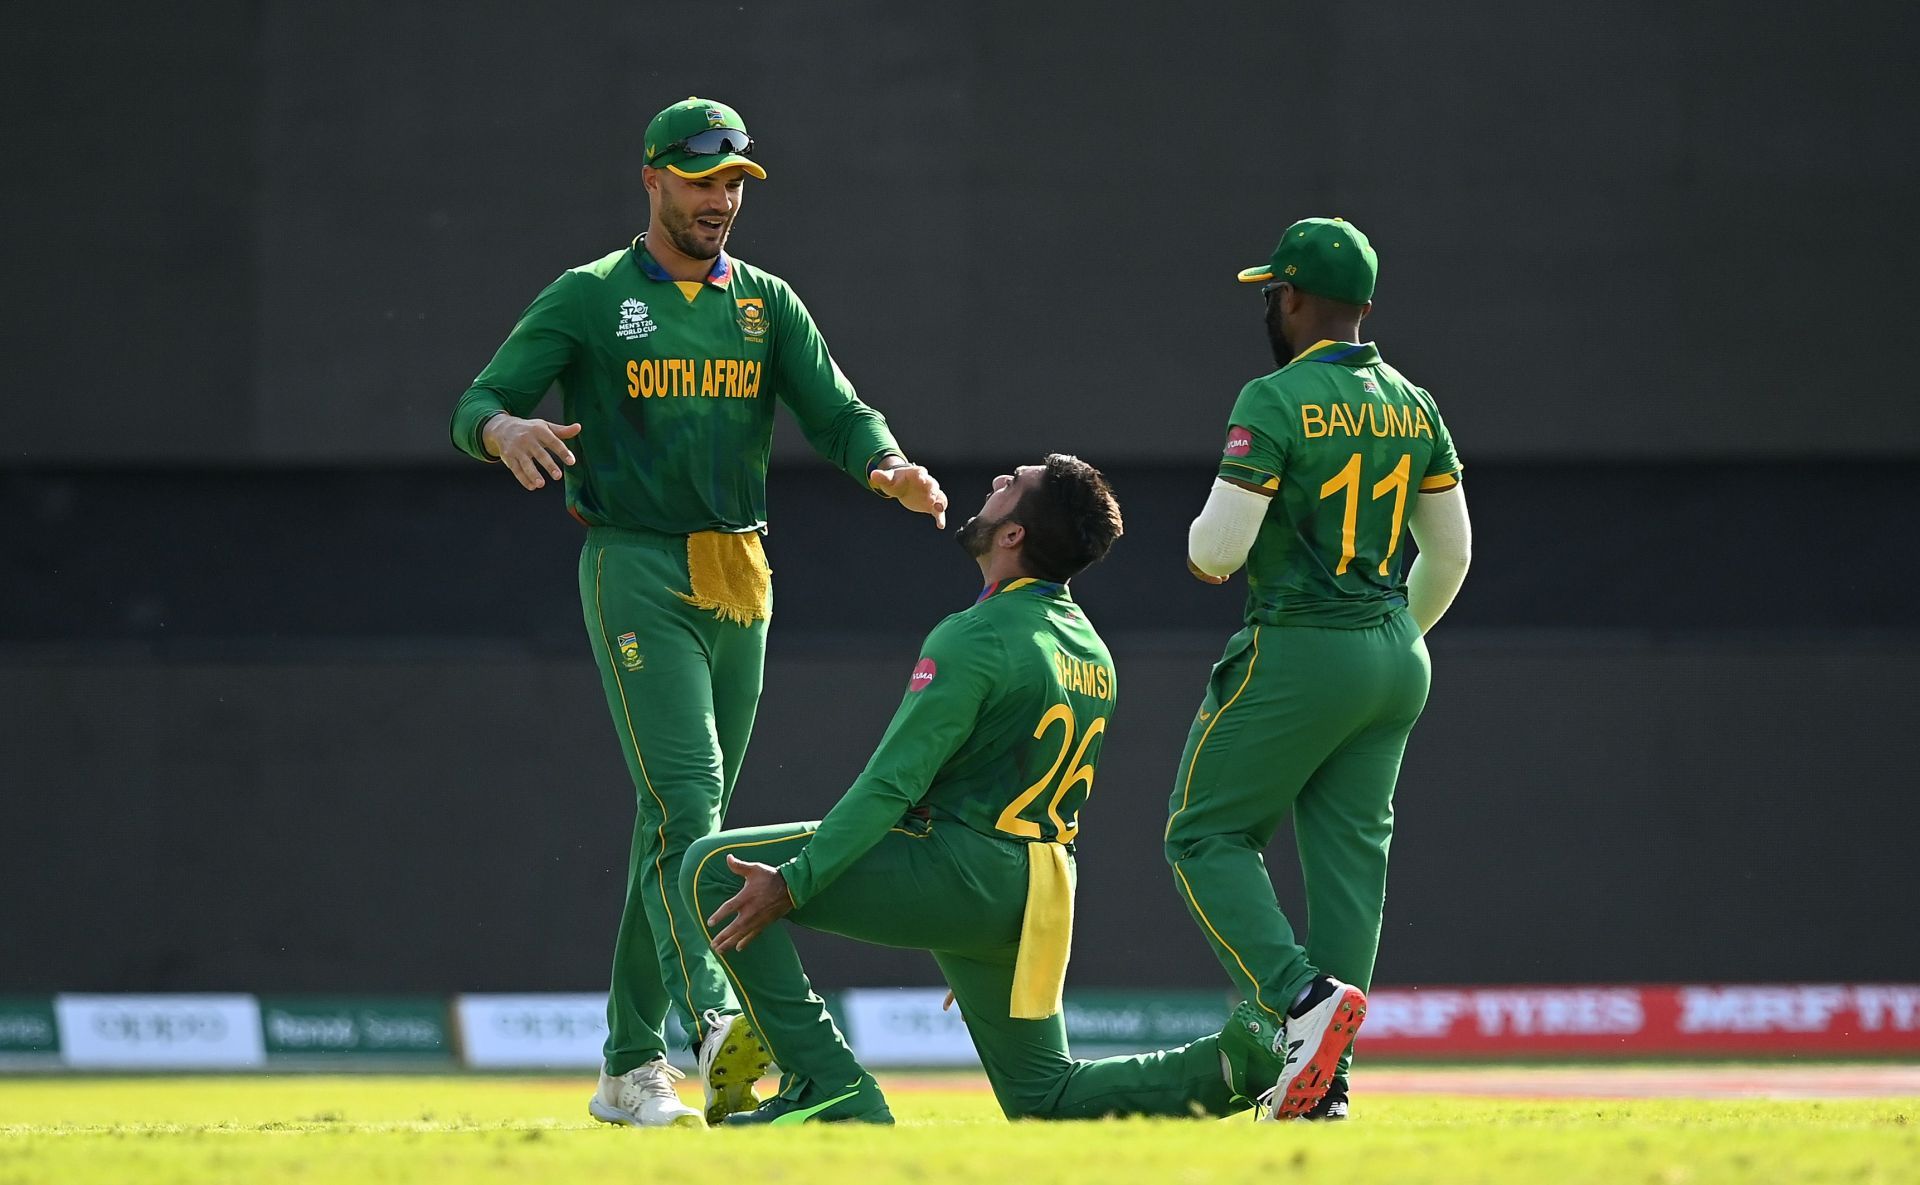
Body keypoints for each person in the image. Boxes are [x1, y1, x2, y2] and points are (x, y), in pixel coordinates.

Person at [447, 96, 948, 1129]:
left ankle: (628, 1069)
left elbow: (838, 411)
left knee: (673, 824)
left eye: (733, 184)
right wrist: (504, 433)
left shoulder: (766, 302)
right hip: (636, 565)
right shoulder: (591, 297)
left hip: (744, 573)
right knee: (693, 800)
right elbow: (478, 401)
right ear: (653, 179)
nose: (720, 200)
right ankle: (715, 1020)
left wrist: (888, 464)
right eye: (700, 179)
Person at [683, 456, 1289, 1125]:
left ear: (1013, 536)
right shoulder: (1091, 650)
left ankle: (825, 1084)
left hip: (967, 870)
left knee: (710, 867)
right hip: (1041, 889)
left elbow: (891, 784)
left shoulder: (975, 636)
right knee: (1042, 1095)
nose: (997, 482)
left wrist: (795, 881)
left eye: (1012, 486)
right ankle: (1241, 1059)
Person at [1171, 217, 1472, 1121]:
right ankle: (1326, 1083)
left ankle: (1301, 1002)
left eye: (1275, 291)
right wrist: (1387, 639)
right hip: (1392, 653)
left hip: (1301, 643)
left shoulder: (1272, 397)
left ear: (1293, 298)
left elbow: (1218, 551)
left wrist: (1334, 648)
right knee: (1349, 868)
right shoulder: (1415, 402)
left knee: (1203, 836)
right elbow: (1450, 556)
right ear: (1366, 306)